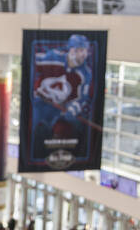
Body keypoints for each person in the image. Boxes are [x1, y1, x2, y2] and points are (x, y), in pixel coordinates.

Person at [29, 34, 94, 164]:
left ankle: (48, 157)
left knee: (62, 133)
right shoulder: (53, 57)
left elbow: (81, 98)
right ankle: (31, 154)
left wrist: (72, 110)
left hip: (59, 109)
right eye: (80, 50)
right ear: (72, 50)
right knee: (32, 130)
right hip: (40, 103)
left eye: (85, 51)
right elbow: (31, 62)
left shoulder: (85, 74)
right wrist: (33, 86)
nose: (83, 55)